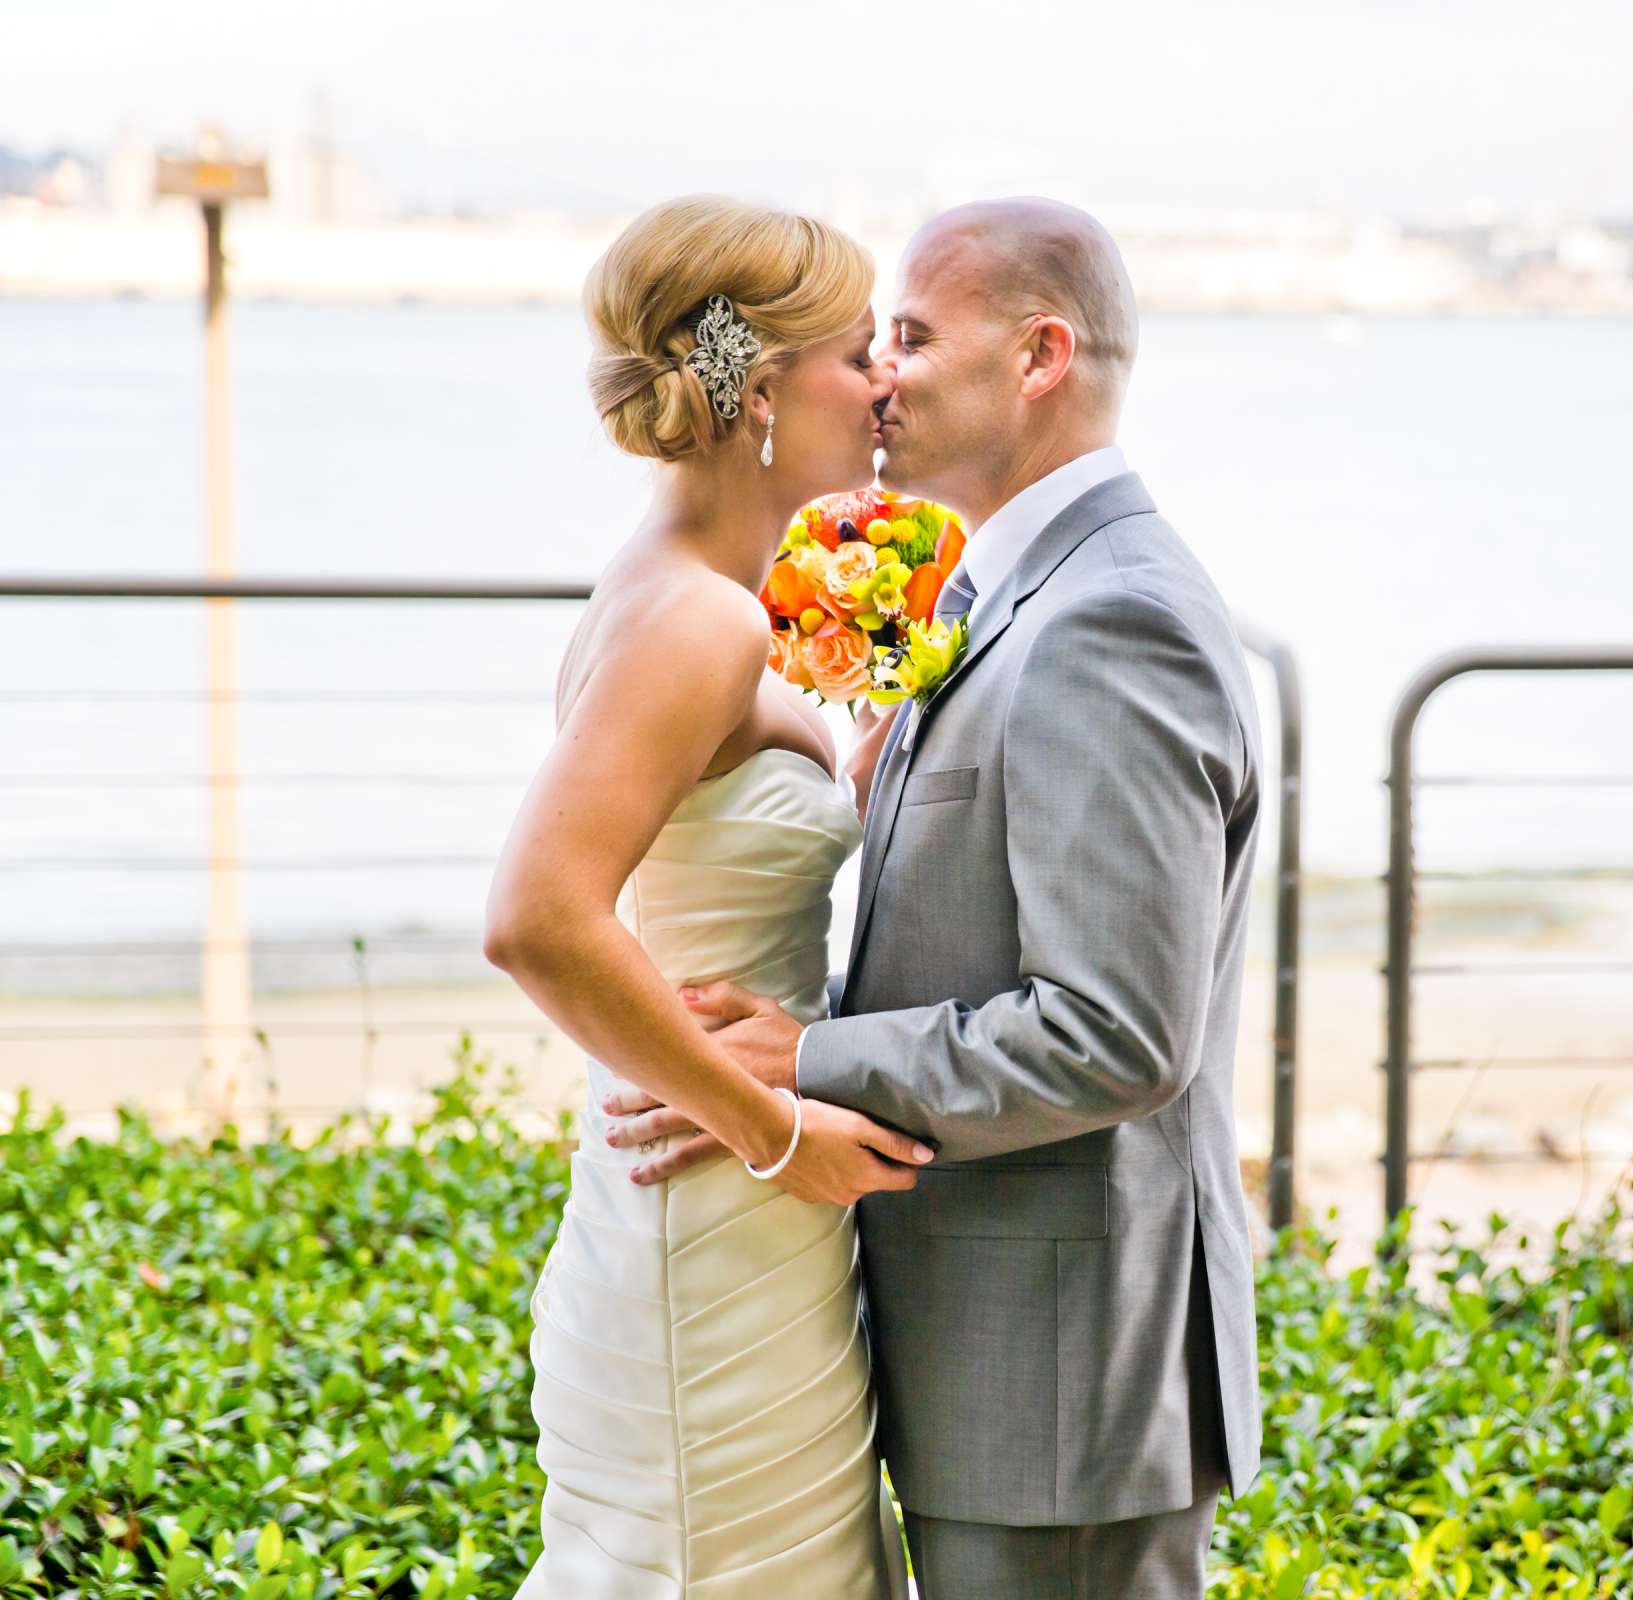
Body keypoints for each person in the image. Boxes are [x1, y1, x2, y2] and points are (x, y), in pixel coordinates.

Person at [608, 198, 1266, 1597]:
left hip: (1063, 1389)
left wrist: (806, 1061)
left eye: (911, 335)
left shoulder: (1112, 620)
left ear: (1039, 356)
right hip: (984, 1361)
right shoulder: (1010, 597)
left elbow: (1119, 1033)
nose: (884, 373)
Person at [483, 195, 925, 1598]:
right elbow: (539, 918)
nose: (890, 384)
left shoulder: (735, 591)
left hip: (735, 1206)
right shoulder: (697, 616)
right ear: (764, 389)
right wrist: (774, 1130)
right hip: (718, 1199)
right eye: (863, 354)